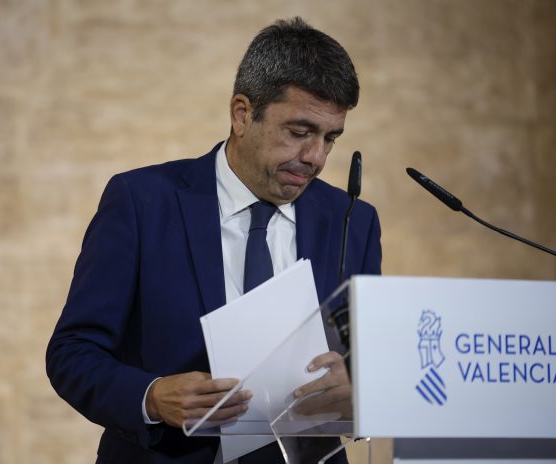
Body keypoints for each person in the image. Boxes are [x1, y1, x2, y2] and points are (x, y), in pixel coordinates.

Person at [46, 17, 382, 464]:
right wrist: (150, 397)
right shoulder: (142, 202)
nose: (315, 157)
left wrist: (359, 390)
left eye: (330, 138)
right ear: (242, 114)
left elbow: (368, 360)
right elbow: (72, 353)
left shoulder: (353, 220)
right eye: (299, 132)